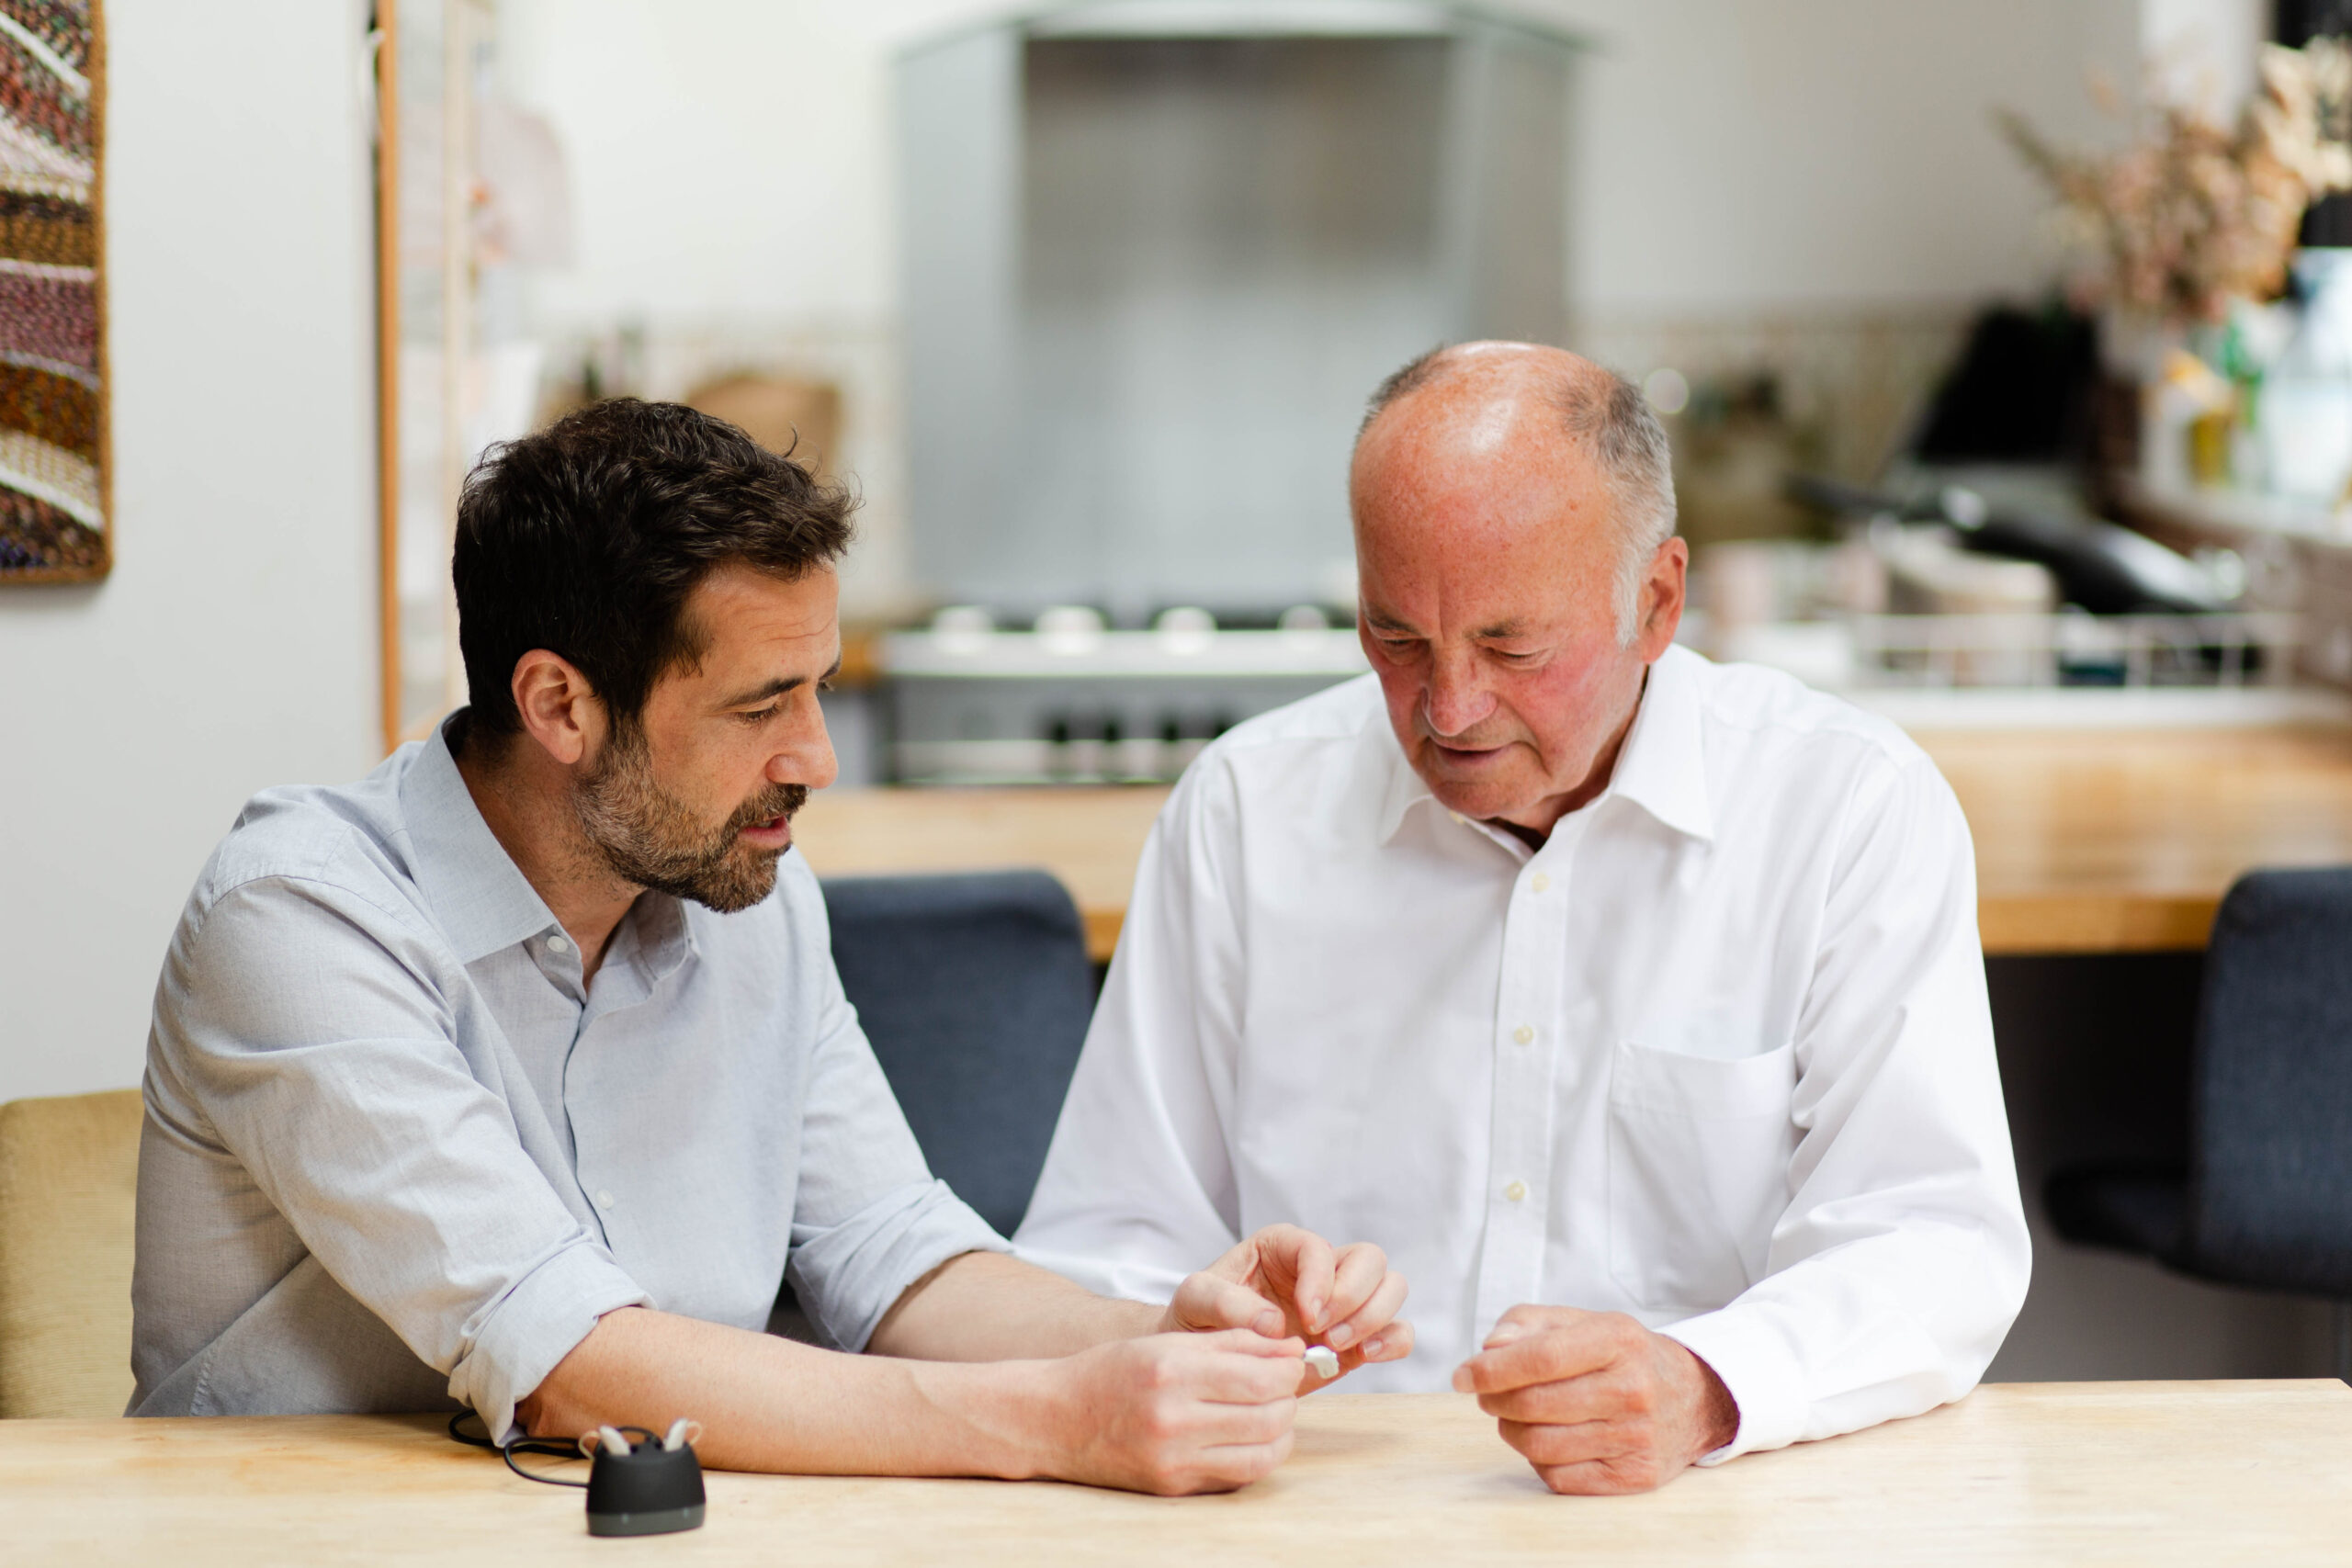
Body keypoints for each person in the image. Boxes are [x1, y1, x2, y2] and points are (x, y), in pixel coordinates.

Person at [130, 400, 1410, 1496]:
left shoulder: (741, 885)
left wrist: (1157, 1334)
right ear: (559, 704)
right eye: (761, 705)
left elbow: (889, 1247)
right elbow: (570, 1358)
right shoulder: (301, 915)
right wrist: (1061, 1417)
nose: (817, 759)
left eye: (819, 687)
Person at [1015, 343, 2030, 1495]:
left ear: (1655, 602)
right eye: (1395, 638)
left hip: (1705, 1508)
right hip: (1317, 1510)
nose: (1447, 708)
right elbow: (1103, 1244)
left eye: (1510, 646)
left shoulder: (1844, 809)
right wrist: (1189, 1324)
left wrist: (1704, 1384)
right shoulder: (1245, 812)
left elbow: (1932, 1240)